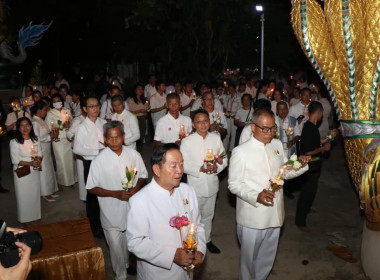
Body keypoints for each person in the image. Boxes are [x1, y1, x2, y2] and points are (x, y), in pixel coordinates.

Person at [228, 109, 309, 280]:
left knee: (267, 257)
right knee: (248, 259)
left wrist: (300, 165)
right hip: (253, 215)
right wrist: (256, 195)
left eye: (273, 128)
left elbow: (284, 173)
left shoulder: (277, 145)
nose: (270, 133)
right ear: (253, 127)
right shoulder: (241, 151)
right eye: (265, 129)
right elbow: (234, 184)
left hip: (275, 211)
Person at [127, 144, 206, 279]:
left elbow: (198, 225)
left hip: (187, 271)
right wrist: (171, 255)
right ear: (157, 169)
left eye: (181, 164)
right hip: (158, 272)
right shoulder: (140, 200)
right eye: (173, 166)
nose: (180, 170)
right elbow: (135, 242)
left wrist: (200, 250)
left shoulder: (188, 191)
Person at [87, 121, 148, 279]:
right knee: (115, 246)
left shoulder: (133, 154)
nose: (114, 141)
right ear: (105, 139)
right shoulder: (99, 160)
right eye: (110, 138)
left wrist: (135, 189)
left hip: (132, 207)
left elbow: (142, 175)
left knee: (130, 240)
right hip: (110, 209)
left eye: (117, 137)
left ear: (123, 136)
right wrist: (115, 194)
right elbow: (91, 187)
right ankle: (120, 275)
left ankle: (127, 265)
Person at [180, 109, 228, 254]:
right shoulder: (187, 141)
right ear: (193, 124)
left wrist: (217, 167)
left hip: (212, 184)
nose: (203, 124)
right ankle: (191, 241)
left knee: (208, 215)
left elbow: (224, 158)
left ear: (210, 122)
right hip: (195, 185)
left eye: (205, 121)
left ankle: (206, 240)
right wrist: (199, 168)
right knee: (193, 216)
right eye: (199, 122)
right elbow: (182, 165)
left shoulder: (215, 138)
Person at [296, 101, 337, 232]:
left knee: (311, 191)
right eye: (322, 113)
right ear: (318, 112)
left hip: (314, 165)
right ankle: (300, 221)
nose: (322, 116)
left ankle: (306, 209)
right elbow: (308, 152)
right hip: (310, 165)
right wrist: (323, 149)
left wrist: (330, 137)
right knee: (307, 192)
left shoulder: (312, 127)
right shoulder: (309, 128)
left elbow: (317, 142)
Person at [73, 96, 106, 237]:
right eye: (91, 106)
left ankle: (106, 221)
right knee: (92, 195)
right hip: (91, 163)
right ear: (85, 109)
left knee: (106, 192)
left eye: (97, 105)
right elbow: (77, 149)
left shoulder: (104, 123)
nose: (95, 109)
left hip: (105, 162)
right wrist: (96, 151)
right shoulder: (82, 127)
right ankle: (95, 225)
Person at [10, 117, 42, 224]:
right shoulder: (14, 142)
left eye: (27, 125)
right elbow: (15, 160)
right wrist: (30, 163)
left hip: (34, 171)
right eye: (22, 125)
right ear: (18, 128)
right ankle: (25, 219)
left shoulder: (36, 139)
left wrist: (38, 161)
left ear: (31, 127)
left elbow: (40, 154)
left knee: (34, 194)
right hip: (22, 172)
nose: (25, 128)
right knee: (23, 196)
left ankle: (36, 215)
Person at [45, 93, 76, 190]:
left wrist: (69, 124)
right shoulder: (50, 113)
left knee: (69, 160)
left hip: (67, 138)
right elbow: (48, 128)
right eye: (54, 101)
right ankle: (61, 182)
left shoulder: (67, 110)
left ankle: (71, 181)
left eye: (58, 100)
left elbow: (72, 122)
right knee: (60, 161)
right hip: (57, 139)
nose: (56, 103)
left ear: (61, 101)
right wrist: (59, 127)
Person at [31, 101, 59, 202]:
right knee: (44, 172)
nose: (46, 112)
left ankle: (50, 190)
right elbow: (36, 138)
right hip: (41, 149)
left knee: (49, 170)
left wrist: (51, 134)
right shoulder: (35, 122)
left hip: (47, 148)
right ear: (38, 110)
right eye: (44, 110)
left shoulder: (40, 120)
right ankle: (45, 193)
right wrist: (50, 136)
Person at [67, 99, 87, 201]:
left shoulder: (96, 119)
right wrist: (79, 136)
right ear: (84, 108)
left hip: (92, 150)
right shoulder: (78, 120)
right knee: (82, 172)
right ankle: (84, 196)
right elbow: (69, 134)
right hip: (81, 151)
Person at [128, 83, 149, 153]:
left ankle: (139, 151)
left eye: (142, 89)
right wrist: (138, 111)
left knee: (142, 135)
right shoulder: (131, 100)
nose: (141, 91)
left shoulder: (145, 99)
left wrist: (146, 111)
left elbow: (148, 109)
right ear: (135, 90)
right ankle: (134, 151)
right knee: (136, 136)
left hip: (143, 118)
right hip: (135, 119)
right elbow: (129, 111)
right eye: (139, 89)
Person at [224, 84, 241, 152]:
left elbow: (239, 108)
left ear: (234, 89)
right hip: (227, 117)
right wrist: (225, 112)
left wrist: (236, 115)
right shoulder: (227, 97)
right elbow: (224, 106)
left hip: (234, 117)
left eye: (232, 89)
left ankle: (232, 149)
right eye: (229, 89)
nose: (230, 90)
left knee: (233, 133)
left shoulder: (238, 97)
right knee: (226, 133)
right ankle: (224, 148)